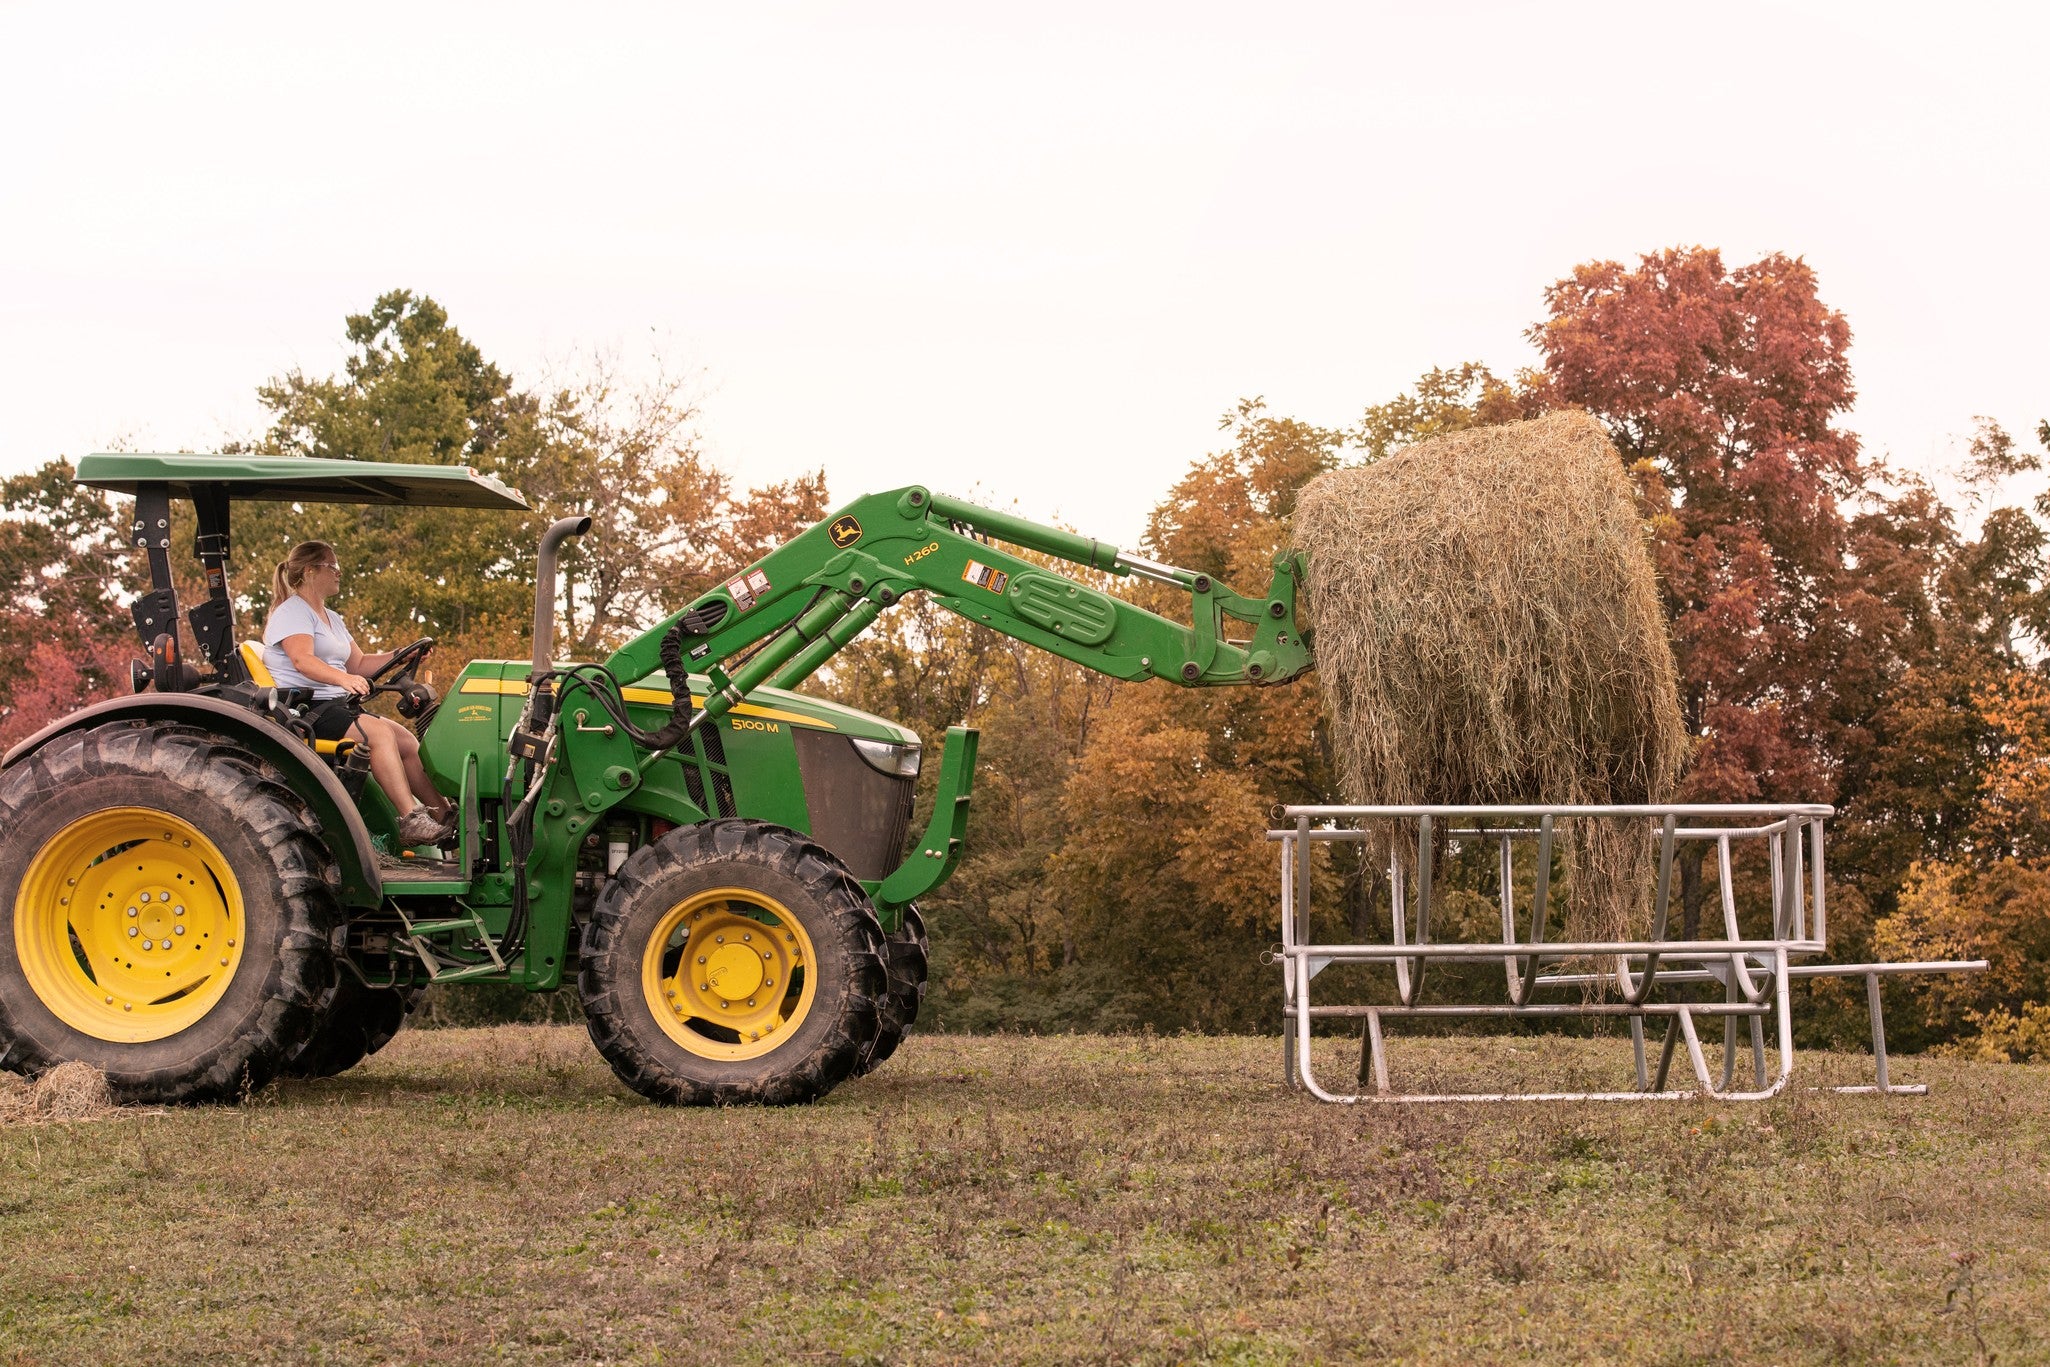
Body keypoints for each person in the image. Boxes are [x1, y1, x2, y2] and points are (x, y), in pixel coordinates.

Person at [263, 541, 455, 848]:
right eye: (332, 566)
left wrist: (401, 654)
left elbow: (360, 664)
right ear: (311, 571)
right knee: (378, 734)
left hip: (337, 705)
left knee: (405, 740)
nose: (339, 572)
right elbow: (303, 660)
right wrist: (343, 678)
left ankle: (446, 816)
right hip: (307, 707)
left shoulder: (331, 618)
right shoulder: (292, 613)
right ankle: (410, 818)